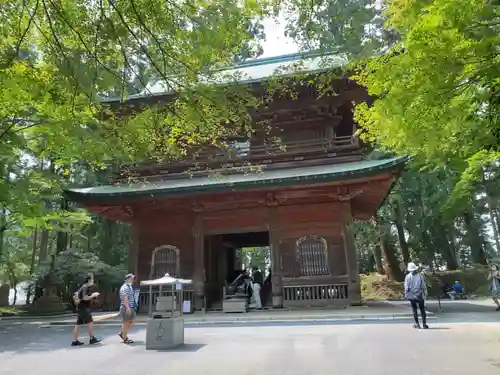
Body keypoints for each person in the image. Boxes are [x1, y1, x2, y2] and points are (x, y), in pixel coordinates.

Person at [71, 274, 101, 346]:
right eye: (92, 279)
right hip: (84, 308)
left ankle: (74, 341)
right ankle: (92, 338)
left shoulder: (83, 287)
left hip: (80, 308)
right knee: (90, 322)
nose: (93, 280)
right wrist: (93, 295)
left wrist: (92, 295)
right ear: (89, 280)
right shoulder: (85, 287)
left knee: (78, 324)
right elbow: (85, 298)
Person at [404, 262, 429, 329]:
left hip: (412, 295)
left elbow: (406, 287)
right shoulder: (420, 276)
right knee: (422, 309)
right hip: (419, 294)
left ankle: (417, 324)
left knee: (414, 310)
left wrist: (406, 294)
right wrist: (425, 293)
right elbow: (423, 285)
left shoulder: (408, 277)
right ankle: (424, 324)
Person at [118, 273, 137, 344]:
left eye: (133, 279)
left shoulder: (130, 286)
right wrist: (127, 307)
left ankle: (122, 333)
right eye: (131, 279)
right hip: (126, 307)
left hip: (131, 306)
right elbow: (125, 297)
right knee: (126, 322)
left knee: (133, 320)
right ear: (127, 279)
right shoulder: (125, 287)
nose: (132, 280)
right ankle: (124, 337)